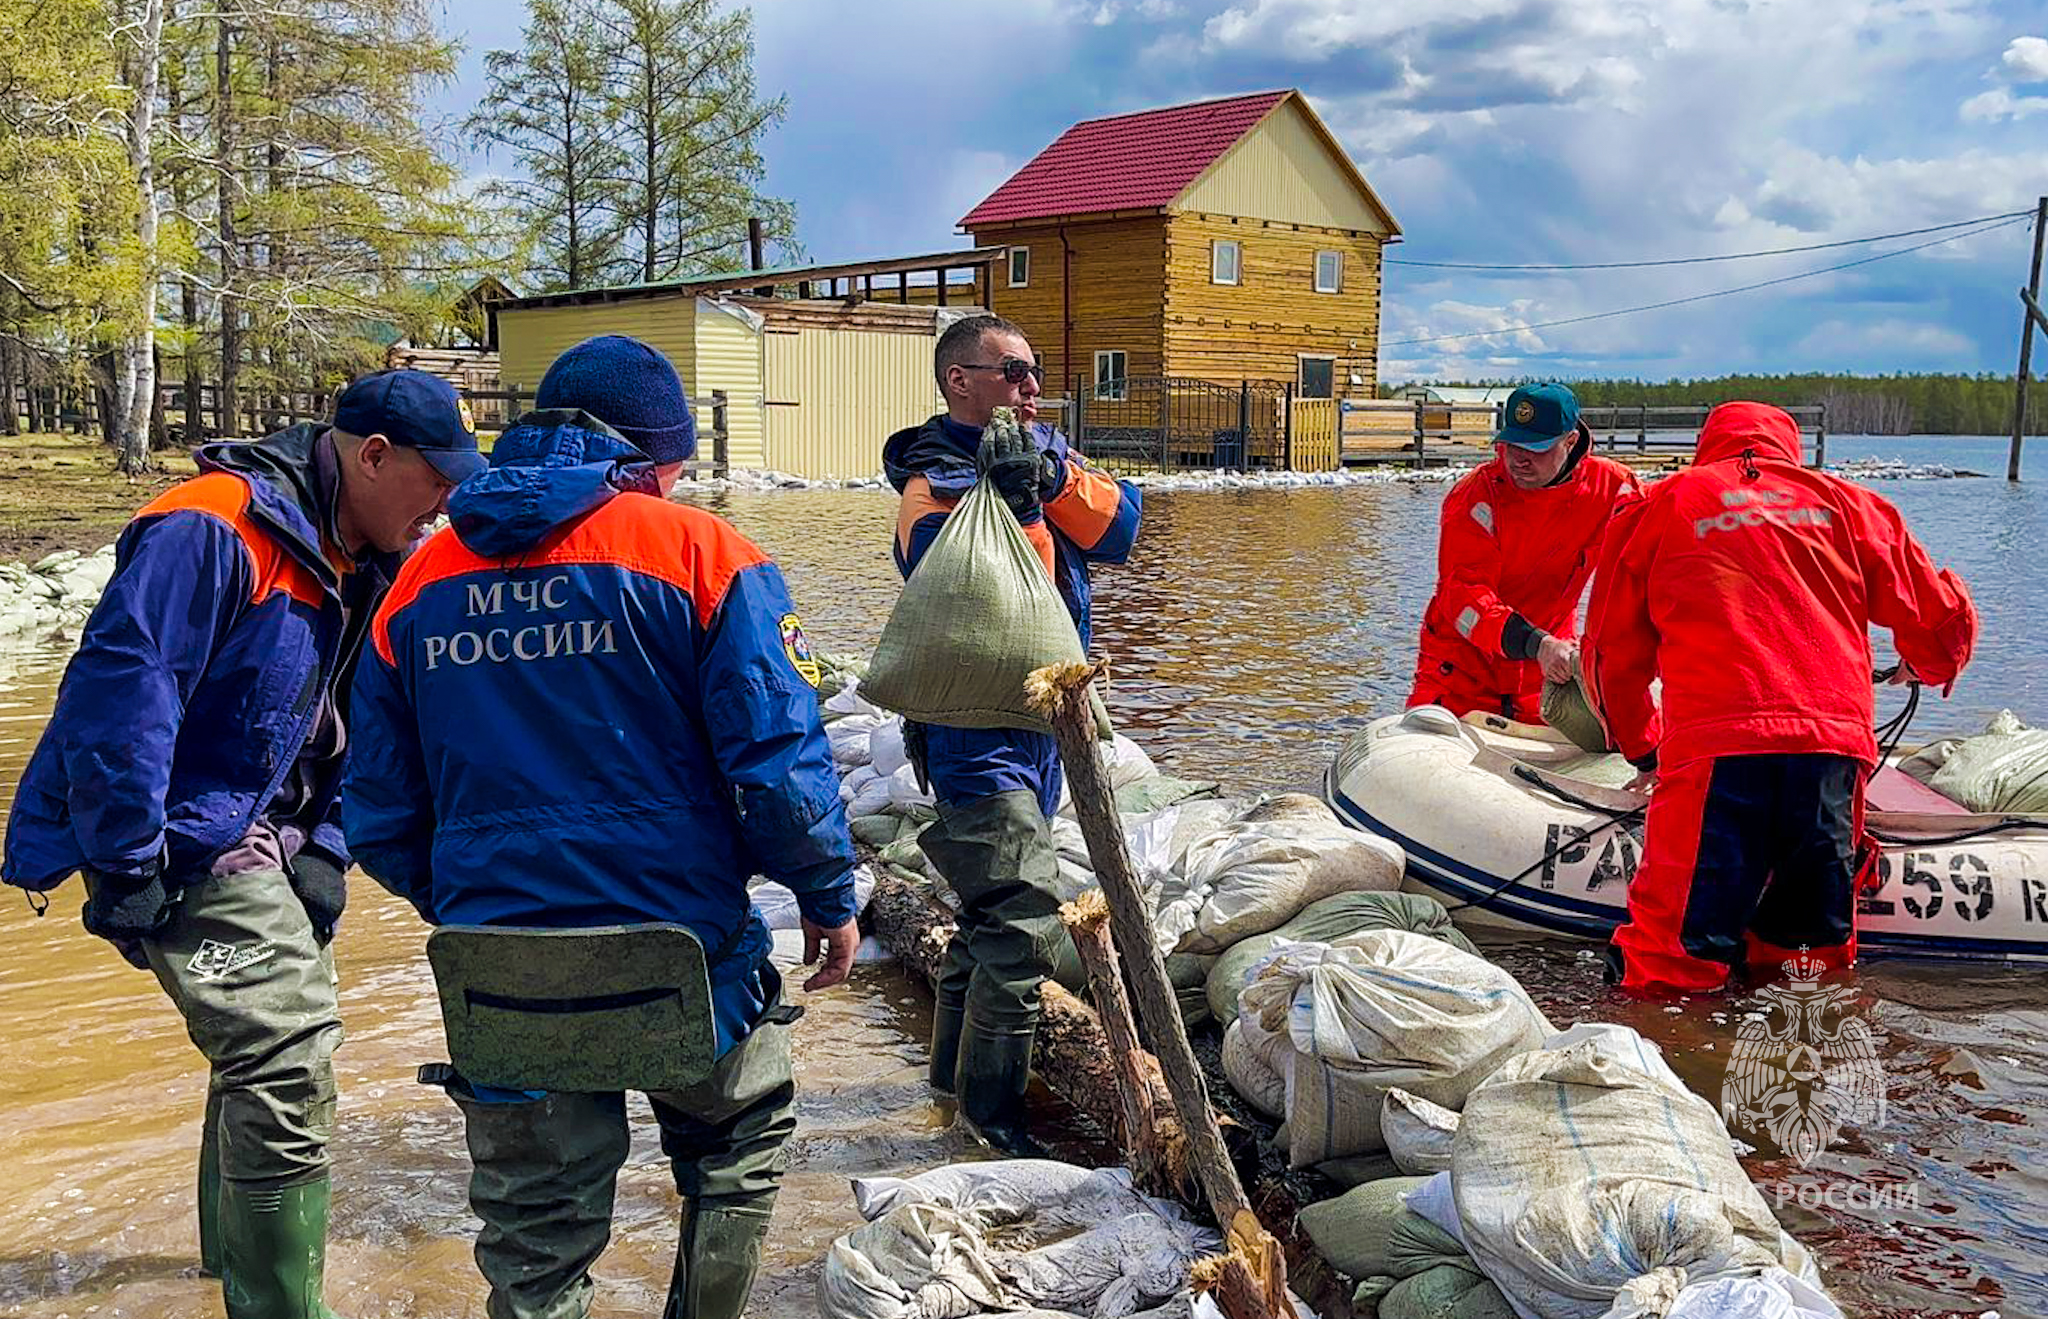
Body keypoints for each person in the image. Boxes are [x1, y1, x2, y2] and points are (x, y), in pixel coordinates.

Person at [342, 334, 859, 1319]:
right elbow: (781, 774)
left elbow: (375, 813)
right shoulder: (706, 553)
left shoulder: (415, 582)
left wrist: (474, 899)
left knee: (533, 1234)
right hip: (680, 953)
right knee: (738, 1132)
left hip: (497, 969)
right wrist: (827, 896)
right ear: (655, 456)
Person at [2, 370, 480, 1318]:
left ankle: (229, 1271)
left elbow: (361, 724)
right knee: (290, 1056)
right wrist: (128, 862)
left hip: (269, 828)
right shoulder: (208, 527)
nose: (448, 503)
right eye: (439, 479)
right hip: (184, 830)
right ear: (374, 456)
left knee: (263, 1056)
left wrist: (327, 848)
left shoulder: (366, 553)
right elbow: (121, 700)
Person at [1582, 401, 1978, 993]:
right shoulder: (1852, 506)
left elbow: (1612, 655)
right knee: (1807, 962)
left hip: (1716, 755)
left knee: (1671, 959)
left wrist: (1644, 749)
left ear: (1707, 445)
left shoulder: (1661, 505)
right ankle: (1807, 1066)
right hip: (1830, 754)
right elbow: (1941, 614)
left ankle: (1674, 1056)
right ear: (1787, 448)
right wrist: (1925, 665)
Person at [882, 314, 1141, 1154]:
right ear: (961, 380)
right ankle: (992, 1127)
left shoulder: (1048, 453)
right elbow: (970, 588)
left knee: (989, 912)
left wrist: (1050, 480)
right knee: (1025, 917)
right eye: (1016, 371)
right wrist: (1022, 504)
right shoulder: (933, 483)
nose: (1034, 387)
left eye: (1037, 372)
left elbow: (1123, 532)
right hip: (972, 728)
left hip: (1043, 724)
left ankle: (950, 1093)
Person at [1409, 382, 1640, 722]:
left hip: (1548, 671)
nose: (1519, 458)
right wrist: (1538, 644)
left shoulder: (1613, 488)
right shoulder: (1475, 497)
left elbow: (1652, 561)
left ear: (1570, 441)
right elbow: (1462, 594)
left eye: (1537, 447)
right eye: (1512, 444)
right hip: (1461, 669)